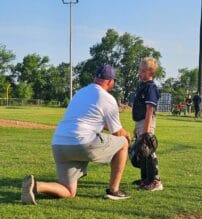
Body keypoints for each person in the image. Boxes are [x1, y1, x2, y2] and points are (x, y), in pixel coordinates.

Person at [21, 64, 131, 205]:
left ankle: (36, 186)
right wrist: (127, 135)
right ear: (110, 81)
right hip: (82, 143)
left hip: (59, 144)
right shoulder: (107, 98)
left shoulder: (81, 92)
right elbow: (117, 132)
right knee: (123, 143)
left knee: (69, 191)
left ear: (95, 78)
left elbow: (88, 119)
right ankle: (114, 190)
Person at [131, 57, 163, 191]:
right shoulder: (142, 86)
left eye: (144, 71)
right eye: (140, 70)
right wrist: (137, 127)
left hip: (147, 121)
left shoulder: (150, 88)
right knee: (141, 151)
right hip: (141, 122)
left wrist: (145, 131)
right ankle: (146, 179)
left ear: (151, 73)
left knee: (148, 149)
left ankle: (155, 180)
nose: (140, 73)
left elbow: (150, 109)